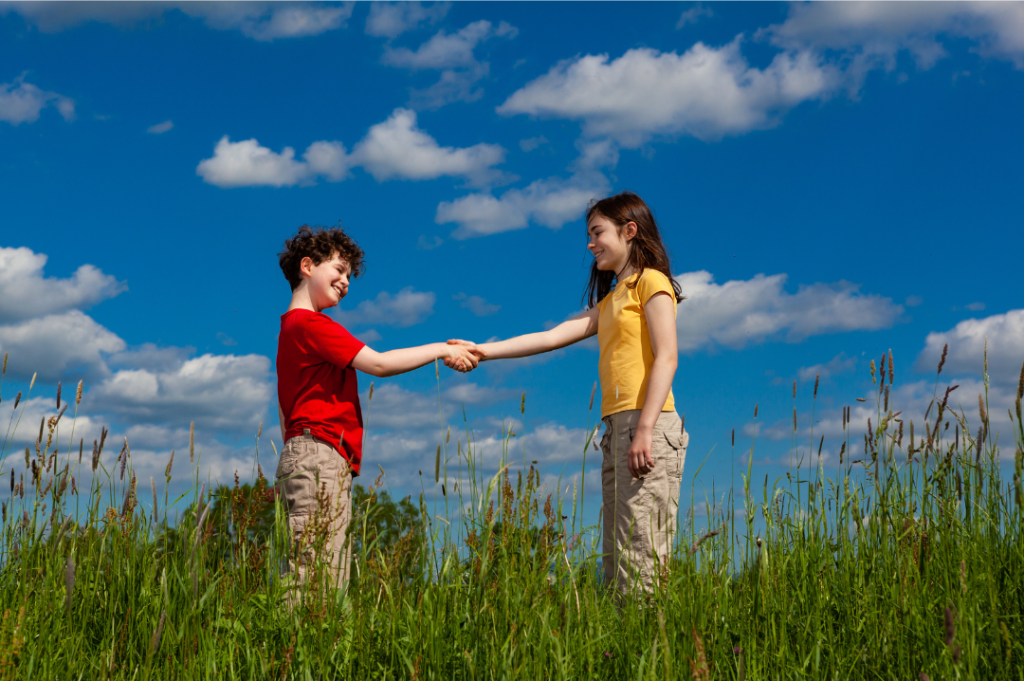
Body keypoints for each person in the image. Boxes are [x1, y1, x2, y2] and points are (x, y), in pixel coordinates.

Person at [452, 192, 687, 596]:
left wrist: (645, 429)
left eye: (598, 232)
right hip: (617, 430)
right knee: (617, 558)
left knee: (642, 555)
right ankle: (625, 650)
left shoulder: (652, 282)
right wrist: (482, 350)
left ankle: (654, 648)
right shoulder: (612, 299)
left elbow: (667, 357)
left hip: (646, 424)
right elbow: (551, 336)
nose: (590, 243)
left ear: (629, 231)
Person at [275, 225, 477, 597]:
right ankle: (300, 652)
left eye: (349, 276)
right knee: (317, 578)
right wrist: (442, 349)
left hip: (303, 452)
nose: (345, 281)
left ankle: (302, 649)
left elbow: (286, 412)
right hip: (319, 454)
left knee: (313, 570)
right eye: (338, 270)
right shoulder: (312, 325)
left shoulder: (290, 331)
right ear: (307, 266)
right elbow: (380, 364)